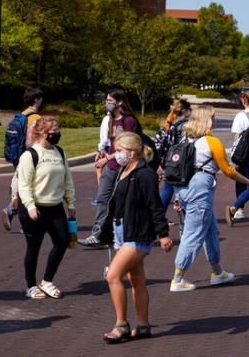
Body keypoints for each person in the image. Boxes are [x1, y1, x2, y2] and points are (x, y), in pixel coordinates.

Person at [170, 106, 249, 292]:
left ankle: (217, 271)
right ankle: (178, 277)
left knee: (210, 230)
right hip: (200, 188)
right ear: (207, 120)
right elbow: (228, 170)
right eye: (213, 117)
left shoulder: (184, 139)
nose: (215, 121)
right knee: (193, 233)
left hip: (182, 187)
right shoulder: (211, 142)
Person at [99, 132, 173, 343]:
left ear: (132, 151)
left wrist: (163, 234)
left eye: (119, 150)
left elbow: (154, 205)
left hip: (137, 234)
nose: (116, 154)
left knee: (113, 276)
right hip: (122, 230)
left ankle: (121, 325)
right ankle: (143, 325)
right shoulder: (125, 169)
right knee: (137, 280)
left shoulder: (145, 174)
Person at [16, 116, 75, 299]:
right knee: (34, 246)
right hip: (34, 209)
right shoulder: (30, 155)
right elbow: (23, 185)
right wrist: (31, 207)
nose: (56, 133)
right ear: (42, 132)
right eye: (53, 130)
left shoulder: (59, 152)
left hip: (55, 206)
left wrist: (70, 203)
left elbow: (67, 180)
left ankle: (47, 281)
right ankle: (31, 285)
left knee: (63, 241)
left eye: (57, 130)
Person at [80, 89, 141, 247]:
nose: (107, 103)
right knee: (102, 199)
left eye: (110, 100)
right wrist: (102, 153)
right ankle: (98, 235)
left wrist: (108, 158)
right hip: (111, 166)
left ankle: (122, 236)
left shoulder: (129, 121)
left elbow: (130, 146)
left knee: (121, 203)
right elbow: (110, 144)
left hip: (124, 167)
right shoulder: (110, 120)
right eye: (107, 100)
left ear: (120, 102)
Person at [2, 87, 44, 232]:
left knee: (23, 187)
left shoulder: (21, 116)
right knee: (30, 189)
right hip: (31, 157)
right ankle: (16, 214)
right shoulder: (37, 118)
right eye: (40, 98)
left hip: (19, 157)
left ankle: (13, 211)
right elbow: (36, 141)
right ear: (36, 100)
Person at [157, 99, 192, 214]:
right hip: (182, 162)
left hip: (169, 162)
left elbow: (159, 144)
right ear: (186, 111)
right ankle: (186, 216)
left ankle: (159, 215)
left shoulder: (168, 124)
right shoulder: (185, 125)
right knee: (185, 191)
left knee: (167, 189)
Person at [230, 91, 249, 221]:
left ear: (244, 100)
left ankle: (239, 208)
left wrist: (234, 156)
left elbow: (236, 137)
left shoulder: (240, 116)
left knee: (242, 181)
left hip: (244, 154)